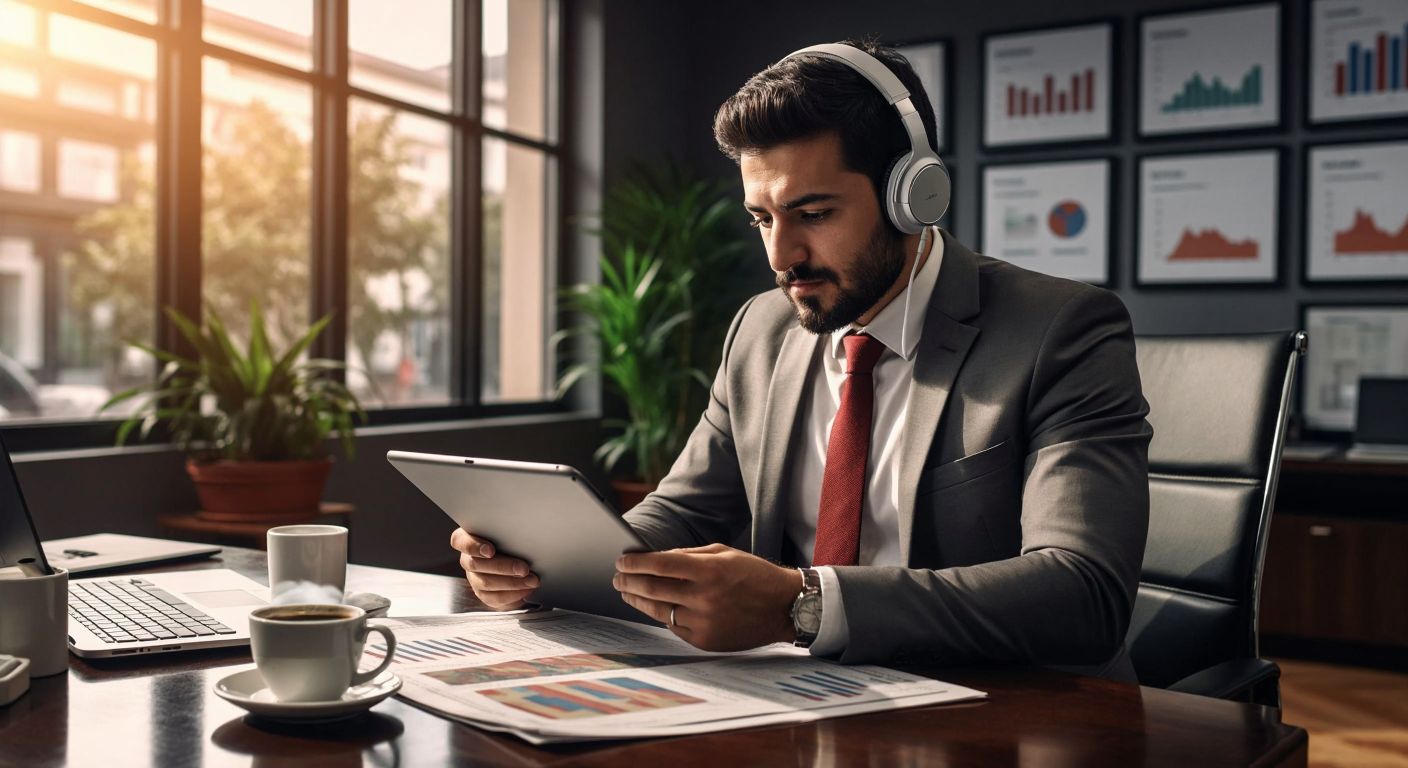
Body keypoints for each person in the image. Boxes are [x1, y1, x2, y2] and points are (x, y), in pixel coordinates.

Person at [451, 39, 1151, 681]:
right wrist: (551, 564)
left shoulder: (1060, 330)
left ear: (914, 196)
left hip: (1009, 709)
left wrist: (804, 605)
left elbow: (1082, 594)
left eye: (813, 214)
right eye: (762, 219)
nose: (781, 257)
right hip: (800, 699)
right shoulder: (761, 330)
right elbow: (682, 515)